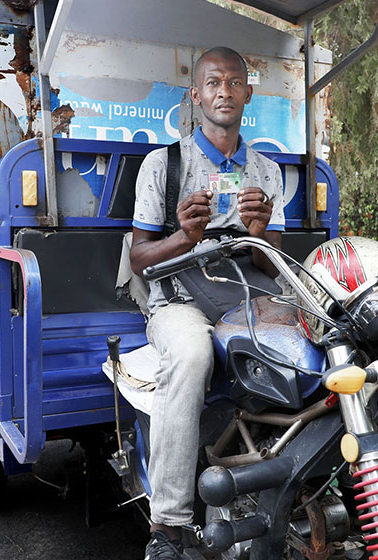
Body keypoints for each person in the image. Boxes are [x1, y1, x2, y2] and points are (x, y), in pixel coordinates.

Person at [129, 46, 285, 559]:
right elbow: (139, 258)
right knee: (192, 356)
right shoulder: (164, 164)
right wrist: (183, 236)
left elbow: (273, 265)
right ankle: (168, 527)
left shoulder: (266, 172)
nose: (224, 91)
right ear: (195, 96)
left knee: (310, 346)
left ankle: (297, 480)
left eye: (234, 82)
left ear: (248, 92)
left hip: (244, 292)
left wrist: (261, 233)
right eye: (213, 83)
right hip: (179, 295)